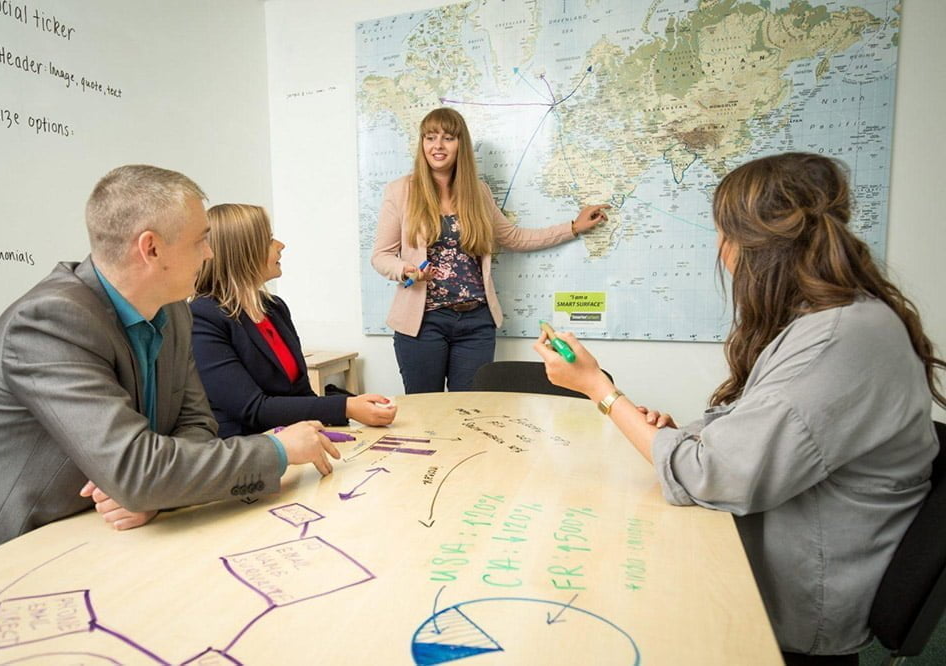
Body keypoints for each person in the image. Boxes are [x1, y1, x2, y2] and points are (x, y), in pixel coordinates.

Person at [534, 152, 943, 663]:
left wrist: (597, 387)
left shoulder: (836, 338)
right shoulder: (837, 321)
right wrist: (684, 434)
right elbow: (762, 429)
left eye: (723, 233)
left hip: (801, 611)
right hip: (794, 552)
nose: (719, 250)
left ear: (759, 246)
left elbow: (713, 476)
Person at [0, 165, 341, 571]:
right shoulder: (50, 321)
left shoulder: (173, 309)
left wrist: (156, 492)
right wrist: (277, 450)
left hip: (103, 536)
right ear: (151, 248)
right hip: (1, 559)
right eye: (201, 240)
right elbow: (137, 469)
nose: (209, 254)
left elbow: (196, 425)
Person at [371, 106, 610, 393]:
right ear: (421, 143)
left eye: (448, 138)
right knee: (425, 411)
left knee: (472, 412)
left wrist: (573, 227)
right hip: (423, 324)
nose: (438, 145)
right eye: (430, 137)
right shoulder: (400, 191)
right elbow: (381, 256)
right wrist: (404, 269)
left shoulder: (478, 192)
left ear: (461, 145)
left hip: (476, 324)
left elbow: (513, 237)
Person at [190, 203, 397, 437]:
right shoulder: (203, 317)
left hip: (296, 441)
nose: (281, 245)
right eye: (268, 239)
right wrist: (347, 407)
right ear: (242, 251)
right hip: (248, 452)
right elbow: (252, 408)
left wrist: (354, 406)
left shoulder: (274, 308)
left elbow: (302, 394)